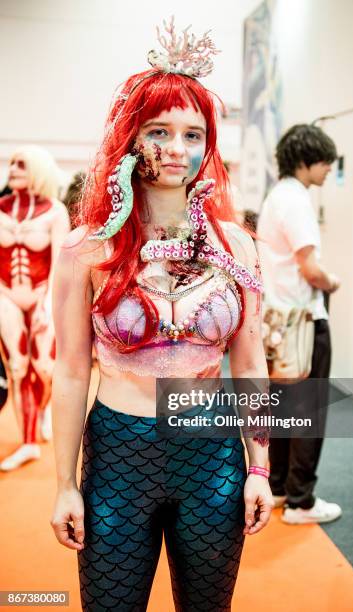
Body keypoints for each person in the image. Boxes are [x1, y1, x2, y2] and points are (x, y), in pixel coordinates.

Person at [50, 19, 273, 612]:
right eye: (159, 131)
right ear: (130, 140)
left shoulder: (236, 245)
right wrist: (64, 485)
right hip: (118, 450)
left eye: (193, 134)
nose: (178, 150)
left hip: (213, 451)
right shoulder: (87, 249)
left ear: (209, 145)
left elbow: (249, 361)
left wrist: (260, 466)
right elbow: (71, 372)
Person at [257, 124, 341, 524]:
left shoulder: (276, 197)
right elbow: (310, 268)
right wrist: (333, 282)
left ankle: (278, 486)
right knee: (309, 409)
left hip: (276, 323)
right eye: (325, 161)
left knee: (283, 408)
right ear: (306, 160)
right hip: (303, 324)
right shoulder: (297, 200)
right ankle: (301, 501)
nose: (328, 169)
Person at [0, 145, 70, 471]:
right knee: (17, 367)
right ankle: (28, 441)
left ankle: (41, 411)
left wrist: (48, 302)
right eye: (11, 163)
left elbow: (59, 262)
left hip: (43, 293)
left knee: (43, 366)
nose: (12, 169)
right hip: (6, 296)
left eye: (21, 164)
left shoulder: (55, 212)